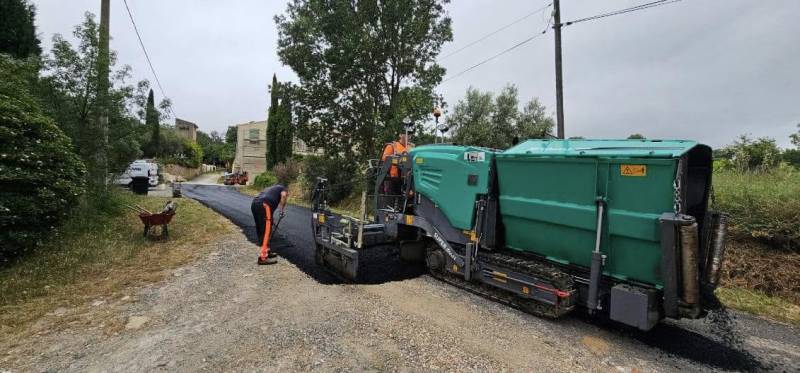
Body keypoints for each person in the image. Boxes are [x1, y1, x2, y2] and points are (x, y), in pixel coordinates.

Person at [250, 184, 288, 265]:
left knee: (261, 228)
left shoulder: (270, 188)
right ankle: (263, 258)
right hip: (264, 205)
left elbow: (260, 195)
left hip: (254, 203)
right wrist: (281, 210)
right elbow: (284, 196)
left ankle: (266, 250)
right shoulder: (283, 188)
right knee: (266, 230)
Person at [381, 132, 414, 198]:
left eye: (410, 134)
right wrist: (398, 156)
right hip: (393, 178)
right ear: (400, 135)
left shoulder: (411, 148)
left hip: (408, 180)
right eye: (406, 134)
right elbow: (385, 159)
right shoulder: (393, 146)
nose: (408, 136)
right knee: (391, 200)